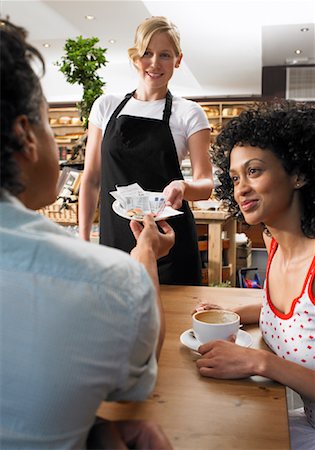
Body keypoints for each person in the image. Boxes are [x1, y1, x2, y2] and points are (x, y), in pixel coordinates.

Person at [0, 19, 175, 450]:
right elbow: (139, 372)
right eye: (46, 120)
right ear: (26, 136)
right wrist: (146, 255)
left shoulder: (184, 111)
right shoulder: (112, 285)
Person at [193, 101, 315, 450]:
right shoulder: (274, 245)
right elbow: (294, 314)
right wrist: (229, 314)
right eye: (234, 178)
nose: (240, 188)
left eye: (255, 171)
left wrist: (260, 361)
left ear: (298, 173)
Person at [79, 16, 213, 286]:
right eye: (147, 53)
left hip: (169, 242)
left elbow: (206, 183)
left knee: (174, 324)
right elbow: (91, 178)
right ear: (135, 57)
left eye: (164, 55)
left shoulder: (189, 113)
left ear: (178, 59)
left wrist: (184, 187)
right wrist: (83, 243)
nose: (154, 63)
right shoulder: (105, 107)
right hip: (114, 244)